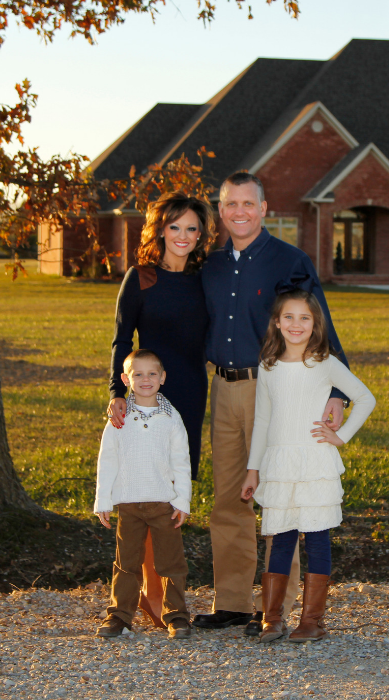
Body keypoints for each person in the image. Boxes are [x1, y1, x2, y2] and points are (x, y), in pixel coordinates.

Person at [195, 171, 350, 634]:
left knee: (282, 498)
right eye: (230, 204)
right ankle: (235, 604)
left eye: (248, 203)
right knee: (229, 498)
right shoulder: (212, 264)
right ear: (220, 211)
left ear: (264, 209)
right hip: (223, 389)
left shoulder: (290, 261)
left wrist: (338, 392)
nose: (239, 211)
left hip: (277, 391)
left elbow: (318, 325)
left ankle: (275, 611)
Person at [241, 290, 376, 643]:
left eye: (305, 318)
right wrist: (253, 469)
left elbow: (365, 398)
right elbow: (262, 421)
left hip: (315, 462)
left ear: (315, 324)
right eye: (289, 317)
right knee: (281, 539)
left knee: (317, 539)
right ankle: (273, 619)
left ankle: (312, 622)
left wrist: (341, 437)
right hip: (280, 464)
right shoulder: (268, 365)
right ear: (276, 322)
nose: (296, 324)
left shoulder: (326, 362)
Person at [106, 193, 213, 629]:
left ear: (201, 234)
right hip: (144, 397)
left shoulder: (206, 279)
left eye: (192, 228)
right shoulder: (141, 278)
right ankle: (151, 596)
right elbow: (120, 340)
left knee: (171, 491)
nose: (183, 236)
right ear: (160, 230)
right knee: (143, 490)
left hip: (188, 393)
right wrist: (117, 390)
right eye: (175, 227)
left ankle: (171, 598)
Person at [93, 350, 195, 640]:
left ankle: (176, 615)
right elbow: (107, 459)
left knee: (171, 563)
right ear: (126, 379)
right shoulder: (119, 417)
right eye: (138, 374)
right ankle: (119, 617)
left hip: (164, 503)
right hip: (128, 503)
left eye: (152, 374)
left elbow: (181, 461)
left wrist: (182, 501)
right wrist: (103, 500)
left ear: (162, 378)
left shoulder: (171, 418)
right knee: (126, 563)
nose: (145, 379)